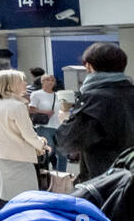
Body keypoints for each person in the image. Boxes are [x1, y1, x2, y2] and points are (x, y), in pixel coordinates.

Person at [56, 43, 134, 183]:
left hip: (106, 182)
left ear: (89, 66)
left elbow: (69, 141)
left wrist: (65, 119)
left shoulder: (94, 99)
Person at [0, 69, 50, 210]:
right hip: (18, 157)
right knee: (26, 198)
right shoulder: (17, 106)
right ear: (10, 85)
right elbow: (28, 135)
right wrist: (42, 143)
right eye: (21, 81)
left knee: (5, 196)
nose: (25, 83)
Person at [27, 73, 65, 171]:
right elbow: (31, 109)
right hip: (44, 126)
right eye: (48, 79)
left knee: (63, 152)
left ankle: (61, 174)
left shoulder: (58, 95)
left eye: (53, 80)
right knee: (49, 149)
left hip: (59, 126)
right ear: (42, 81)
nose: (51, 82)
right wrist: (45, 112)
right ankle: (43, 171)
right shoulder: (36, 94)